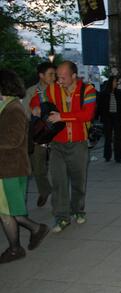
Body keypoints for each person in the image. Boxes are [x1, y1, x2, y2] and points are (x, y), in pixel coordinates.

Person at [30, 60, 97, 233]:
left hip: (78, 143)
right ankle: (61, 217)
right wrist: (36, 108)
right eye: (58, 77)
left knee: (78, 181)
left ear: (74, 75)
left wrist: (62, 117)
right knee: (58, 181)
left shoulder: (87, 90)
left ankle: (78, 210)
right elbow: (36, 101)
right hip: (57, 144)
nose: (59, 80)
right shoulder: (52, 89)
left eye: (63, 77)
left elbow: (87, 115)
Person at [0, 69, 49, 263]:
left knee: (9, 211)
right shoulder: (7, 106)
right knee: (7, 211)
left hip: (10, 169)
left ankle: (32, 233)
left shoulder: (13, 109)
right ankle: (16, 246)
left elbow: (13, 139)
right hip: (8, 168)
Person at [23, 62, 56, 207]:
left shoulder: (58, 90)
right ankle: (45, 190)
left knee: (58, 167)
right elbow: (24, 113)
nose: (53, 77)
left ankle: (60, 198)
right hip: (39, 135)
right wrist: (33, 111)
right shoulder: (31, 91)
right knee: (38, 167)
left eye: (54, 74)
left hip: (56, 132)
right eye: (50, 74)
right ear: (41, 75)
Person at [96, 76, 121, 162]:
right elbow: (99, 107)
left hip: (118, 117)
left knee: (118, 137)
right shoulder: (103, 94)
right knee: (108, 137)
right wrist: (97, 117)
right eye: (115, 81)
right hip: (107, 118)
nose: (116, 83)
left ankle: (118, 157)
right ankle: (107, 156)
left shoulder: (119, 93)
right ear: (110, 82)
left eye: (117, 82)